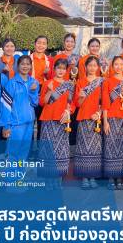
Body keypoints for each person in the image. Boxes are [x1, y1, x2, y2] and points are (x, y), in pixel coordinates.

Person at [38, 58, 74, 189]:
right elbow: (42, 102)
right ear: (54, 69)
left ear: (66, 70)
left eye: (63, 68)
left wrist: (68, 112)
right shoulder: (48, 83)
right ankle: (48, 179)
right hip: (48, 120)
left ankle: (58, 178)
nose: (61, 70)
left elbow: (72, 104)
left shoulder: (69, 84)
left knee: (61, 150)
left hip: (62, 121)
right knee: (47, 150)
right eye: (58, 68)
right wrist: (49, 91)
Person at [0, 55, 39, 163]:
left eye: (28, 64)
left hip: (29, 123)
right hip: (15, 124)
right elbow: (5, 106)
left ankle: (18, 177)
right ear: (18, 66)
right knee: (12, 153)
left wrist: (32, 92)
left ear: (31, 66)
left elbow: (35, 103)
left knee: (23, 153)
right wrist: (5, 125)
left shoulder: (34, 82)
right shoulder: (11, 83)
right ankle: (10, 178)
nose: (25, 66)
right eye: (22, 64)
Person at [73, 56, 104, 190]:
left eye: (94, 65)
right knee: (83, 148)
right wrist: (81, 96)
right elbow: (77, 104)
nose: (92, 68)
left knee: (95, 149)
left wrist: (100, 113)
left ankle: (93, 176)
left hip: (96, 118)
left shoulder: (102, 82)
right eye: (89, 65)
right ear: (85, 67)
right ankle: (85, 177)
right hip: (84, 118)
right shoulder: (80, 82)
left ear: (98, 67)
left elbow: (104, 102)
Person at [101, 56, 123, 190]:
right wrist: (105, 121)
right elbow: (105, 103)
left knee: (121, 148)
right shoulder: (107, 81)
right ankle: (110, 177)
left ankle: (119, 177)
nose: (119, 66)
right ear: (112, 66)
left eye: (121, 64)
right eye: (116, 64)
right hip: (112, 118)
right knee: (110, 147)